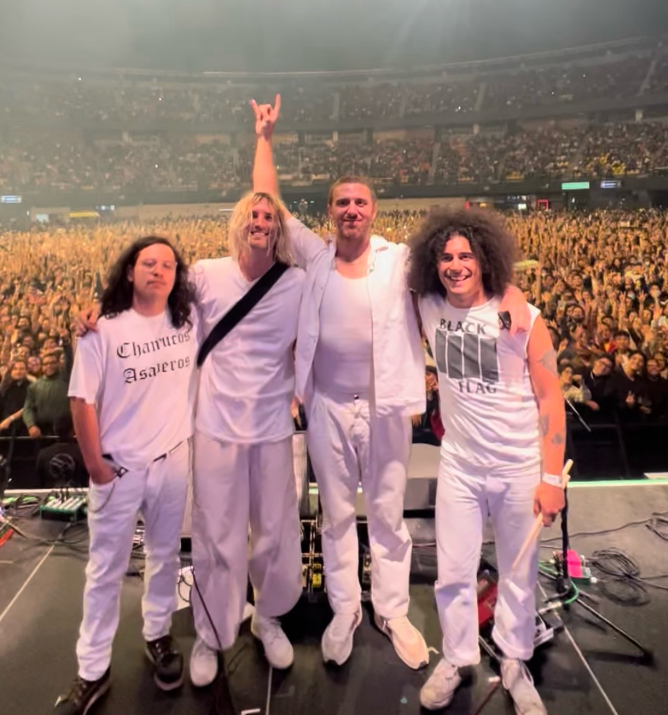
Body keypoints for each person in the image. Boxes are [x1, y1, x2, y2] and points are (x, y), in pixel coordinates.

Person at [252, 96, 530, 672]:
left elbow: (462, 268)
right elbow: (269, 205)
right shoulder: (314, 256)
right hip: (327, 406)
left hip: (385, 408)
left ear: (374, 211)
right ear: (330, 211)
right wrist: (264, 139)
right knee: (335, 516)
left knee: (386, 515)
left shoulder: (400, 260)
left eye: (360, 202)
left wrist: (512, 292)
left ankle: (392, 610)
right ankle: (344, 609)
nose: (351, 210)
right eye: (342, 202)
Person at [408, 207, 566, 715]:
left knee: (519, 576)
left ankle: (515, 662)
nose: (455, 266)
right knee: (453, 572)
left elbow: (551, 398)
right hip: (460, 465)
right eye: (445, 257)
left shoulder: (524, 317)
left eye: (466, 256)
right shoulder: (427, 304)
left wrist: (551, 477)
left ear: (485, 259)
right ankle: (457, 658)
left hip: (519, 467)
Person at [55, 236, 196, 715]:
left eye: (168, 265)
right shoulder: (102, 329)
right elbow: (81, 402)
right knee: (105, 571)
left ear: (177, 276)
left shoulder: (188, 321)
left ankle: (158, 634)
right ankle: (92, 669)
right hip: (118, 469)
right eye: (149, 263)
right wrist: (95, 466)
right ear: (130, 271)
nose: (159, 271)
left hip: (172, 460)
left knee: (165, 556)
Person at [188, 190, 305, 687]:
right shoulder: (204, 274)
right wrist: (98, 314)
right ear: (239, 222)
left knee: (276, 531)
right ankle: (212, 631)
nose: (260, 221)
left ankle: (268, 616)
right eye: (253, 214)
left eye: (269, 216)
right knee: (217, 535)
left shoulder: (297, 282)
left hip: (272, 426)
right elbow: (158, 312)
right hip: (216, 426)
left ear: (279, 228)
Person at [23, 351, 70, 438]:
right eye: (46, 364)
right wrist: (31, 425)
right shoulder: (34, 386)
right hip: (42, 432)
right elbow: (28, 409)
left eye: (52, 363)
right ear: (41, 367)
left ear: (58, 364)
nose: (49, 366)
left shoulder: (68, 381)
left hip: (67, 431)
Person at [37, 412, 89, 488]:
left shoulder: (43, 454)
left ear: (54, 429)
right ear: (73, 430)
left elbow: (40, 483)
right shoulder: (83, 453)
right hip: (79, 493)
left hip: (50, 493)